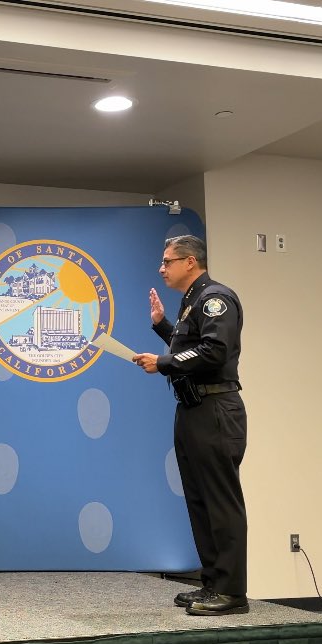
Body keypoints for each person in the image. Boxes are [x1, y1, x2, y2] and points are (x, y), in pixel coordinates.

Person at [131, 235, 248, 616]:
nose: (162, 268)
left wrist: (162, 363)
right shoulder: (191, 302)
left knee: (220, 502)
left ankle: (232, 592)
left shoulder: (215, 298)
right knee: (199, 501)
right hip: (193, 408)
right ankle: (212, 584)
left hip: (215, 408)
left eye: (168, 261)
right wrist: (163, 326)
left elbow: (215, 350)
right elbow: (191, 347)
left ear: (191, 262)